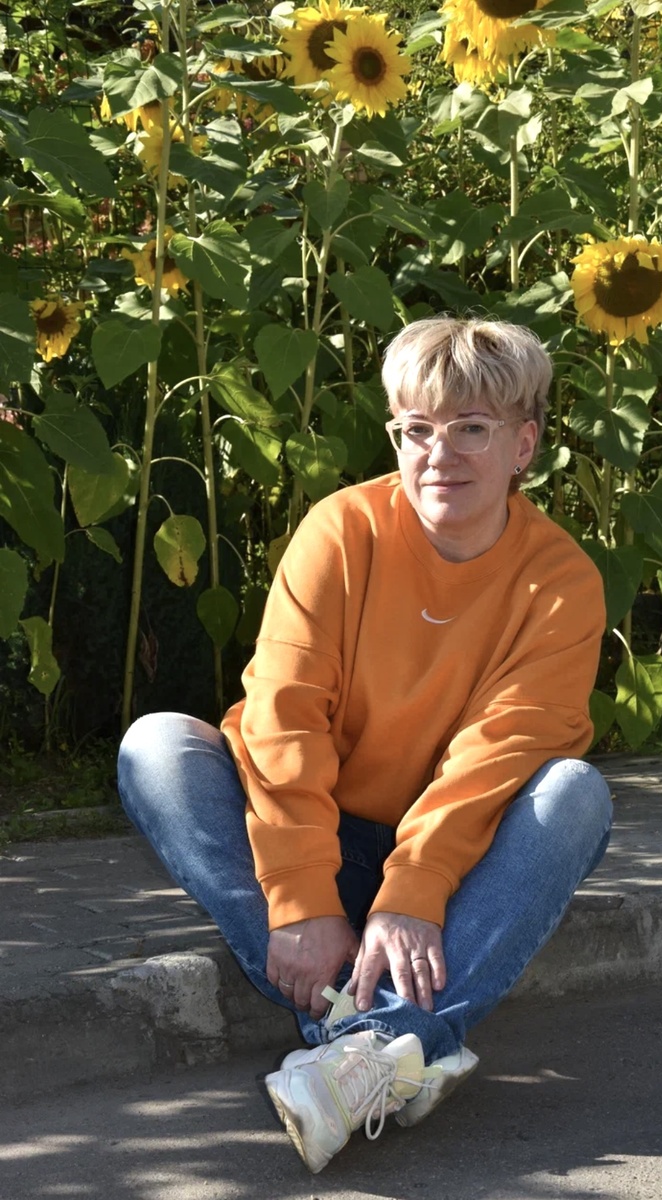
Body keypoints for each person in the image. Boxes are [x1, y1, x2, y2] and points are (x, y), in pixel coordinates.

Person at [118, 315, 612, 1174]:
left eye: (471, 429)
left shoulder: (561, 582)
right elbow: (285, 715)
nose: (439, 454)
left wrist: (415, 889)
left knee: (576, 794)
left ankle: (363, 1044)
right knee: (155, 746)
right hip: (314, 832)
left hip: (454, 868)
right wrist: (302, 901)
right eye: (417, 429)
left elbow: (502, 751)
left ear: (524, 445)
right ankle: (391, 1041)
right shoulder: (340, 531)